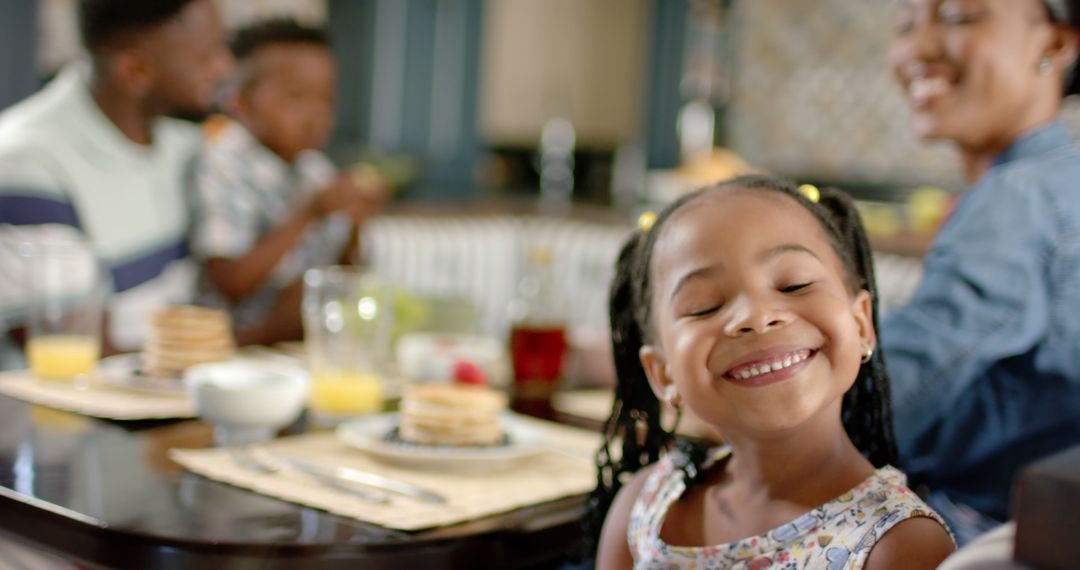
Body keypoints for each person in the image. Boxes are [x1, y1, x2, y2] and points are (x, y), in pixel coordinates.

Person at [589, 175, 954, 569]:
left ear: (862, 325)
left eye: (794, 284)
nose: (756, 317)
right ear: (663, 375)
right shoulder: (645, 506)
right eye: (705, 306)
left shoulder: (900, 545)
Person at [884, 0, 1080, 543]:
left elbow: (885, 403)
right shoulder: (1062, 182)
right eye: (904, 24)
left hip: (981, 533)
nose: (915, 49)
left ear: (1055, 44)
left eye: (959, 17)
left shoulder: (1021, 197)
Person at [0, 0, 232, 356]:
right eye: (206, 56)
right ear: (134, 70)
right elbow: (79, 354)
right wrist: (263, 334)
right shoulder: (26, 161)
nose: (224, 68)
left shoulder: (185, 143)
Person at [190, 19, 386, 346]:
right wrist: (308, 215)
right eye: (296, 98)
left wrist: (356, 223)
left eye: (326, 99)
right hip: (235, 345)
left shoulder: (314, 168)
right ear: (241, 103)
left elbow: (345, 276)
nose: (316, 115)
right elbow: (230, 283)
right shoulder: (221, 163)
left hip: (296, 346)